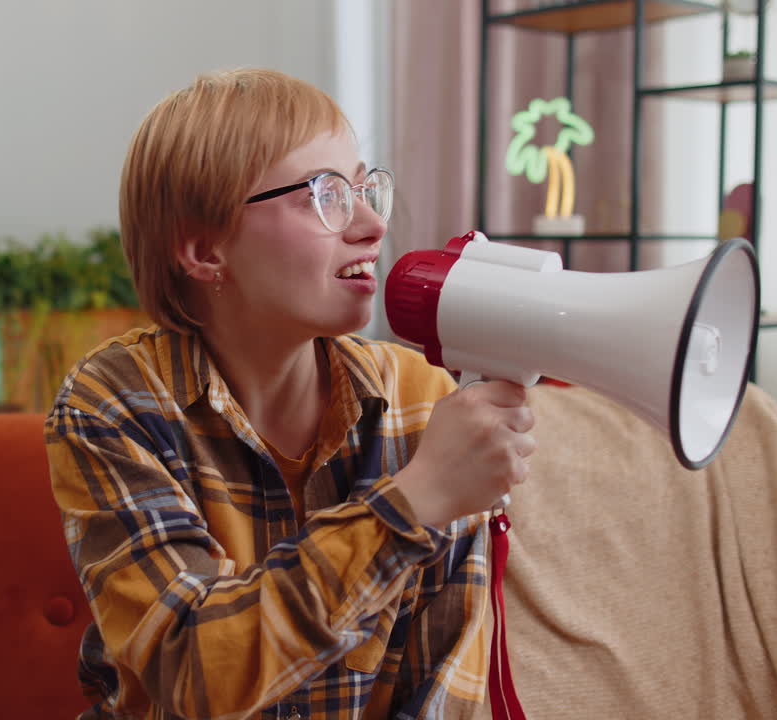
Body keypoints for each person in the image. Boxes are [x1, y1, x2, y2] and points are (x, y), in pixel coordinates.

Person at [45, 68, 537, 719]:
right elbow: (192, 674)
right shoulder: (112, 406)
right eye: (323, 195)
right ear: (204, 250)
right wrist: (417, 500)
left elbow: (445, 689)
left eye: (364, 189)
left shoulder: (423, 397)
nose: (370, 225)